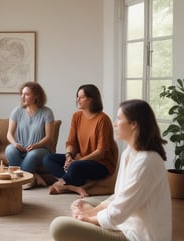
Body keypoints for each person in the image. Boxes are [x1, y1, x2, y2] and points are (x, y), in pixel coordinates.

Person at [49, 99, 172, 241]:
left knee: (59, 226)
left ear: (133, 125)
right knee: (80, 203)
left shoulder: (146, 161)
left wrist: (88, 218)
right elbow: (119, 197)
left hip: (136, 235)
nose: (115, 123)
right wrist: (94, 210)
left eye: (119, 119)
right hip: (124, 221)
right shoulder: (129, 153)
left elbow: (118, 212)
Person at [43, 84, 118, 197]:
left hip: (101, 164)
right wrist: (69, 156)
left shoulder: (103, 119)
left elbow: (100, 152)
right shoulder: (76, 116)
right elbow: (71, 142)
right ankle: (73, 186)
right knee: (48, 158)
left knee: (74, 167)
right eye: (77, 96)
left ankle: (63, 182)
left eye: (81, 97)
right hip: (80, 160)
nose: (77, 99)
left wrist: (78, 161)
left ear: (91, 100)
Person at [5, 81, 55, 189]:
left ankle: (21, 181)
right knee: (9, 150)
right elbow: (9, 134)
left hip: (40, 149)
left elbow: (49, 137)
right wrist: (15, 144)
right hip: (20, 147)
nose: (22, 97)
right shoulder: (17, 111)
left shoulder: (47, 112)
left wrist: (35, 146)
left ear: (36, 96)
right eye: (22, 94)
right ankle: (33, 176)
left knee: (32, 155)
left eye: (26, 94)